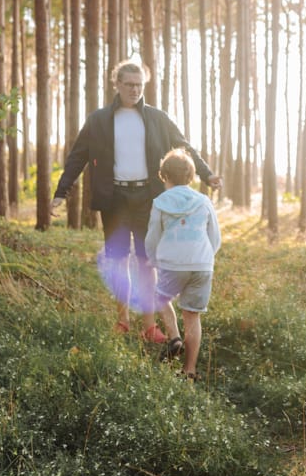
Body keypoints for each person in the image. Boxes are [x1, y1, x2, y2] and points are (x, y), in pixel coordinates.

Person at [51, 60, 221, 341]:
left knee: (147, 261)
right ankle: (122, 321)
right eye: (129, 84)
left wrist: (207, 173)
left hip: (148, 198)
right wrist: (61, 191)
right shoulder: (99, 120)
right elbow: (77, 156)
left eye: (139, 85)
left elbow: (184, 146)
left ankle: (150, 326)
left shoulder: (157, 118)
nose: (134, 90)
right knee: (118, 260)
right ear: (116, 84)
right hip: (114, 197)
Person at [144, 148, 221, 381]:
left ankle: (175, 337)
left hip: (172, 264)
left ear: (164, 175)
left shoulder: (160, 202)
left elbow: (152, 237)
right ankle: (189, 371)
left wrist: (154, 260)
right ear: (191, 175)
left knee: (160, 298)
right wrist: (205, 257)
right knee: (192, 316)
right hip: (202, 265)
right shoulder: (204, 201)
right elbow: (215, 237)